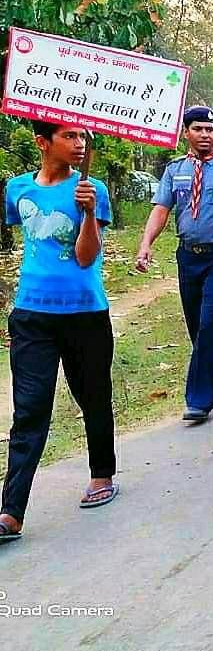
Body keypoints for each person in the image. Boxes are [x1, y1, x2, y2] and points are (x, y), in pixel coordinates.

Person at [1, 121, 118, 545]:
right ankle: (11, 511)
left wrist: (87, 213)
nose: (79, 144)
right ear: (42, 142)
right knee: (30, 409)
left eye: (82, 137)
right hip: (31, 315)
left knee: (92, 395)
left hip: (85, 313)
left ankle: (102, 473)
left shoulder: (94, 190)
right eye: (69, 136)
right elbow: (29, 244)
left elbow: (86, 259)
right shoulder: (17, 189)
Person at [135, 106, 213, 423]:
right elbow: (161, 210)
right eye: (198, 129)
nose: (205, 135)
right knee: (195, 325)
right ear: (186, 133)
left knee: (208, 319)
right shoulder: (175, 171)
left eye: (210, 130)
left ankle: (199, 400)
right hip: (188, 256)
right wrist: (146, 244)